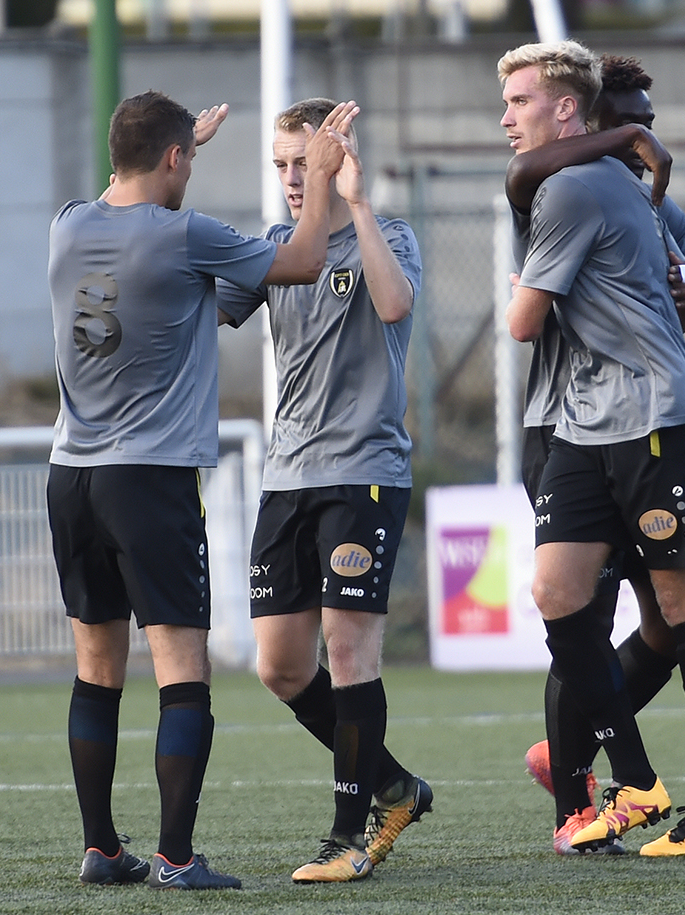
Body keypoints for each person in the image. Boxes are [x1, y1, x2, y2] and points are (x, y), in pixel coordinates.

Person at [46, 90, 353, 890]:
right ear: (179, 159)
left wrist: (178, 148)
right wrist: (317, 174)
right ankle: (177, 857)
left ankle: (103, 848)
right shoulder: (186, 235)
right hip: (147, 480)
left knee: (96, 666)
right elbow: (306, 259)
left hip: (70, 475)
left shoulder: (69, 222)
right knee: (182, 667)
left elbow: (134, 189)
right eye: (185, 158)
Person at [499, 41, 685, 857]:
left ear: (566, 112)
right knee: (563, 595)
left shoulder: (603, 191)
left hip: (648, 422)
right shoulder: (573, 180)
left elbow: (527, 320)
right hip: (570, 427)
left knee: (673, 615)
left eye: (519, 103)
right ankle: (609, 784)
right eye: (631, 125)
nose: (505, 118)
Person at [215, 97, 430, 885]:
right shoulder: (275, 248)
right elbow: (213, 308)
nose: (290, 178)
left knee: (348, 653)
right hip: (287, 475)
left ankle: (348, 836)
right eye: (280, 163)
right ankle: (396, 786)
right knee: (280, 666)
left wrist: (360, 203)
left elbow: (396, 304)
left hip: (363, 473)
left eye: (303, 161)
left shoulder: (392, 233)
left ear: (338, 159)